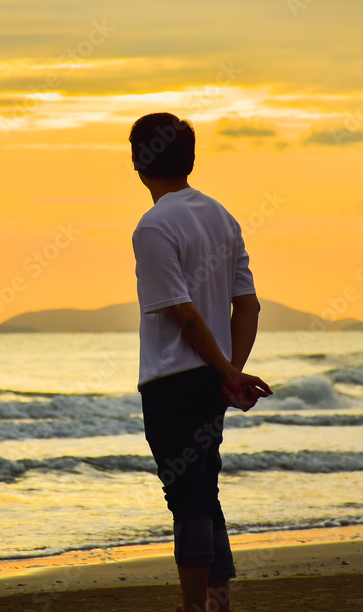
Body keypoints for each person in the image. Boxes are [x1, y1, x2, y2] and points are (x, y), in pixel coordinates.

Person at [130, 112, 272, 612]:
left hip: (172, 383)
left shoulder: (153, 226)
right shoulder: (222, 217)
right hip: (209, 380)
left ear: (138, 163)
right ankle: (217, 600)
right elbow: (248, 304)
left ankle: (194, 608)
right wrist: (228, 371)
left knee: (187, 500)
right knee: (204, 493)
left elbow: (187, 319)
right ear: (189, 159)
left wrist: (228, 374)